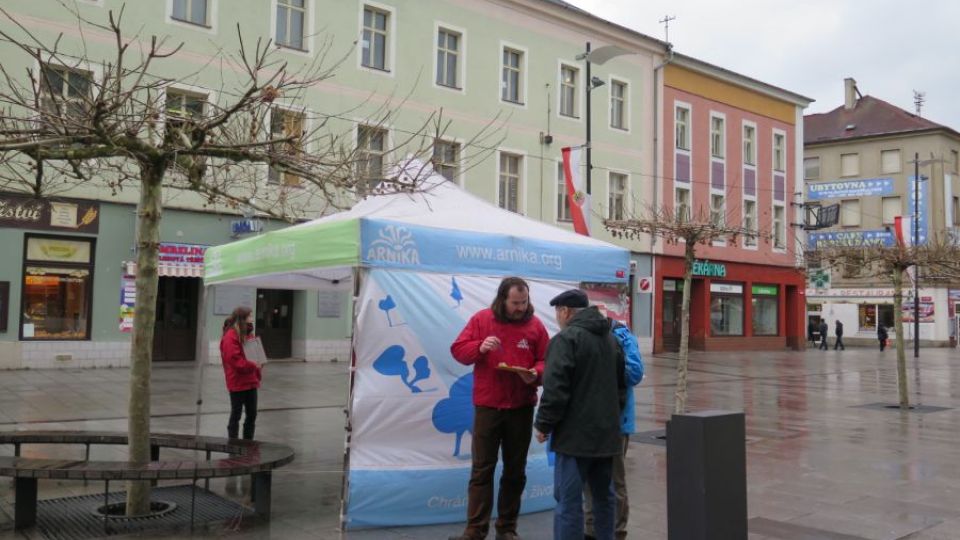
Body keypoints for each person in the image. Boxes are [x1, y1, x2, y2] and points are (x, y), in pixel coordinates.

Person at [449, 277, 550, 540]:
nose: (520, 307)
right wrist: (479, 348)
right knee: (482, 469)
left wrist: (535, 373)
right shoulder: (482, 320)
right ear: (502, 299)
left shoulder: (536, 326)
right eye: (515, 303)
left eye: (524, 302)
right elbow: (458, 350)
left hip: (520, 407)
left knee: (515, 470)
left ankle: (507, 529)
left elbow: (546, 361)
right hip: (488, 406)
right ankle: (475, 530)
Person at [534, 289, 625, 540]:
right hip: (606, 435)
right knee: (604, 497)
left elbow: (555, 389)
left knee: (568, 501)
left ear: (565, 311)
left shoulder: (566, 340)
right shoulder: (611, 338)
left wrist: (544, 424)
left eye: (558, 313)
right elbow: (621, 386)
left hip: (574, 439)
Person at [584, 318, 643, 540]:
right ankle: (590, 529)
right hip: (590, 421)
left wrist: (609, 367)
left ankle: (618, 530)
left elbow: (635, 374)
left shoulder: (623, 337)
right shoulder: (584, 336)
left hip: (617, 421)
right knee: (590, 478)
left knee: (614, 478)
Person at [220, 306, 262, 440]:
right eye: (250, 316)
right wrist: (253, 365)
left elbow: (255, 355)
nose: (252, 319)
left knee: (252, 414)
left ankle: (248, 442)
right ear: (242, 318)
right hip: (237, 381)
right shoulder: (230, 335)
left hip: (250, 381)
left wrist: (259, 364)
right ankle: (233, 443)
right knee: (236, 414)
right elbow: (235, 360)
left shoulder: (249, 333)